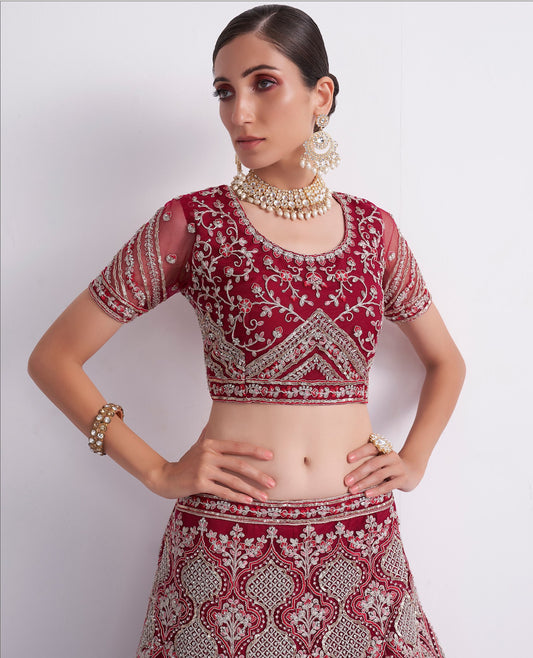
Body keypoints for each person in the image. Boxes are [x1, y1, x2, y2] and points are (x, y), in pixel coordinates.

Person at [28, 4, 465, 657]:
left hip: (361, 544)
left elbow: (446, 362)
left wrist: (415, 459)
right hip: (225, 549)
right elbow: (54, 357)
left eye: (263, 84)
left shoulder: (375, 232)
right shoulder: (193, 223)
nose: (239, 113)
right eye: (224, 91)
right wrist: (155, 471)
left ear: (321, 95)